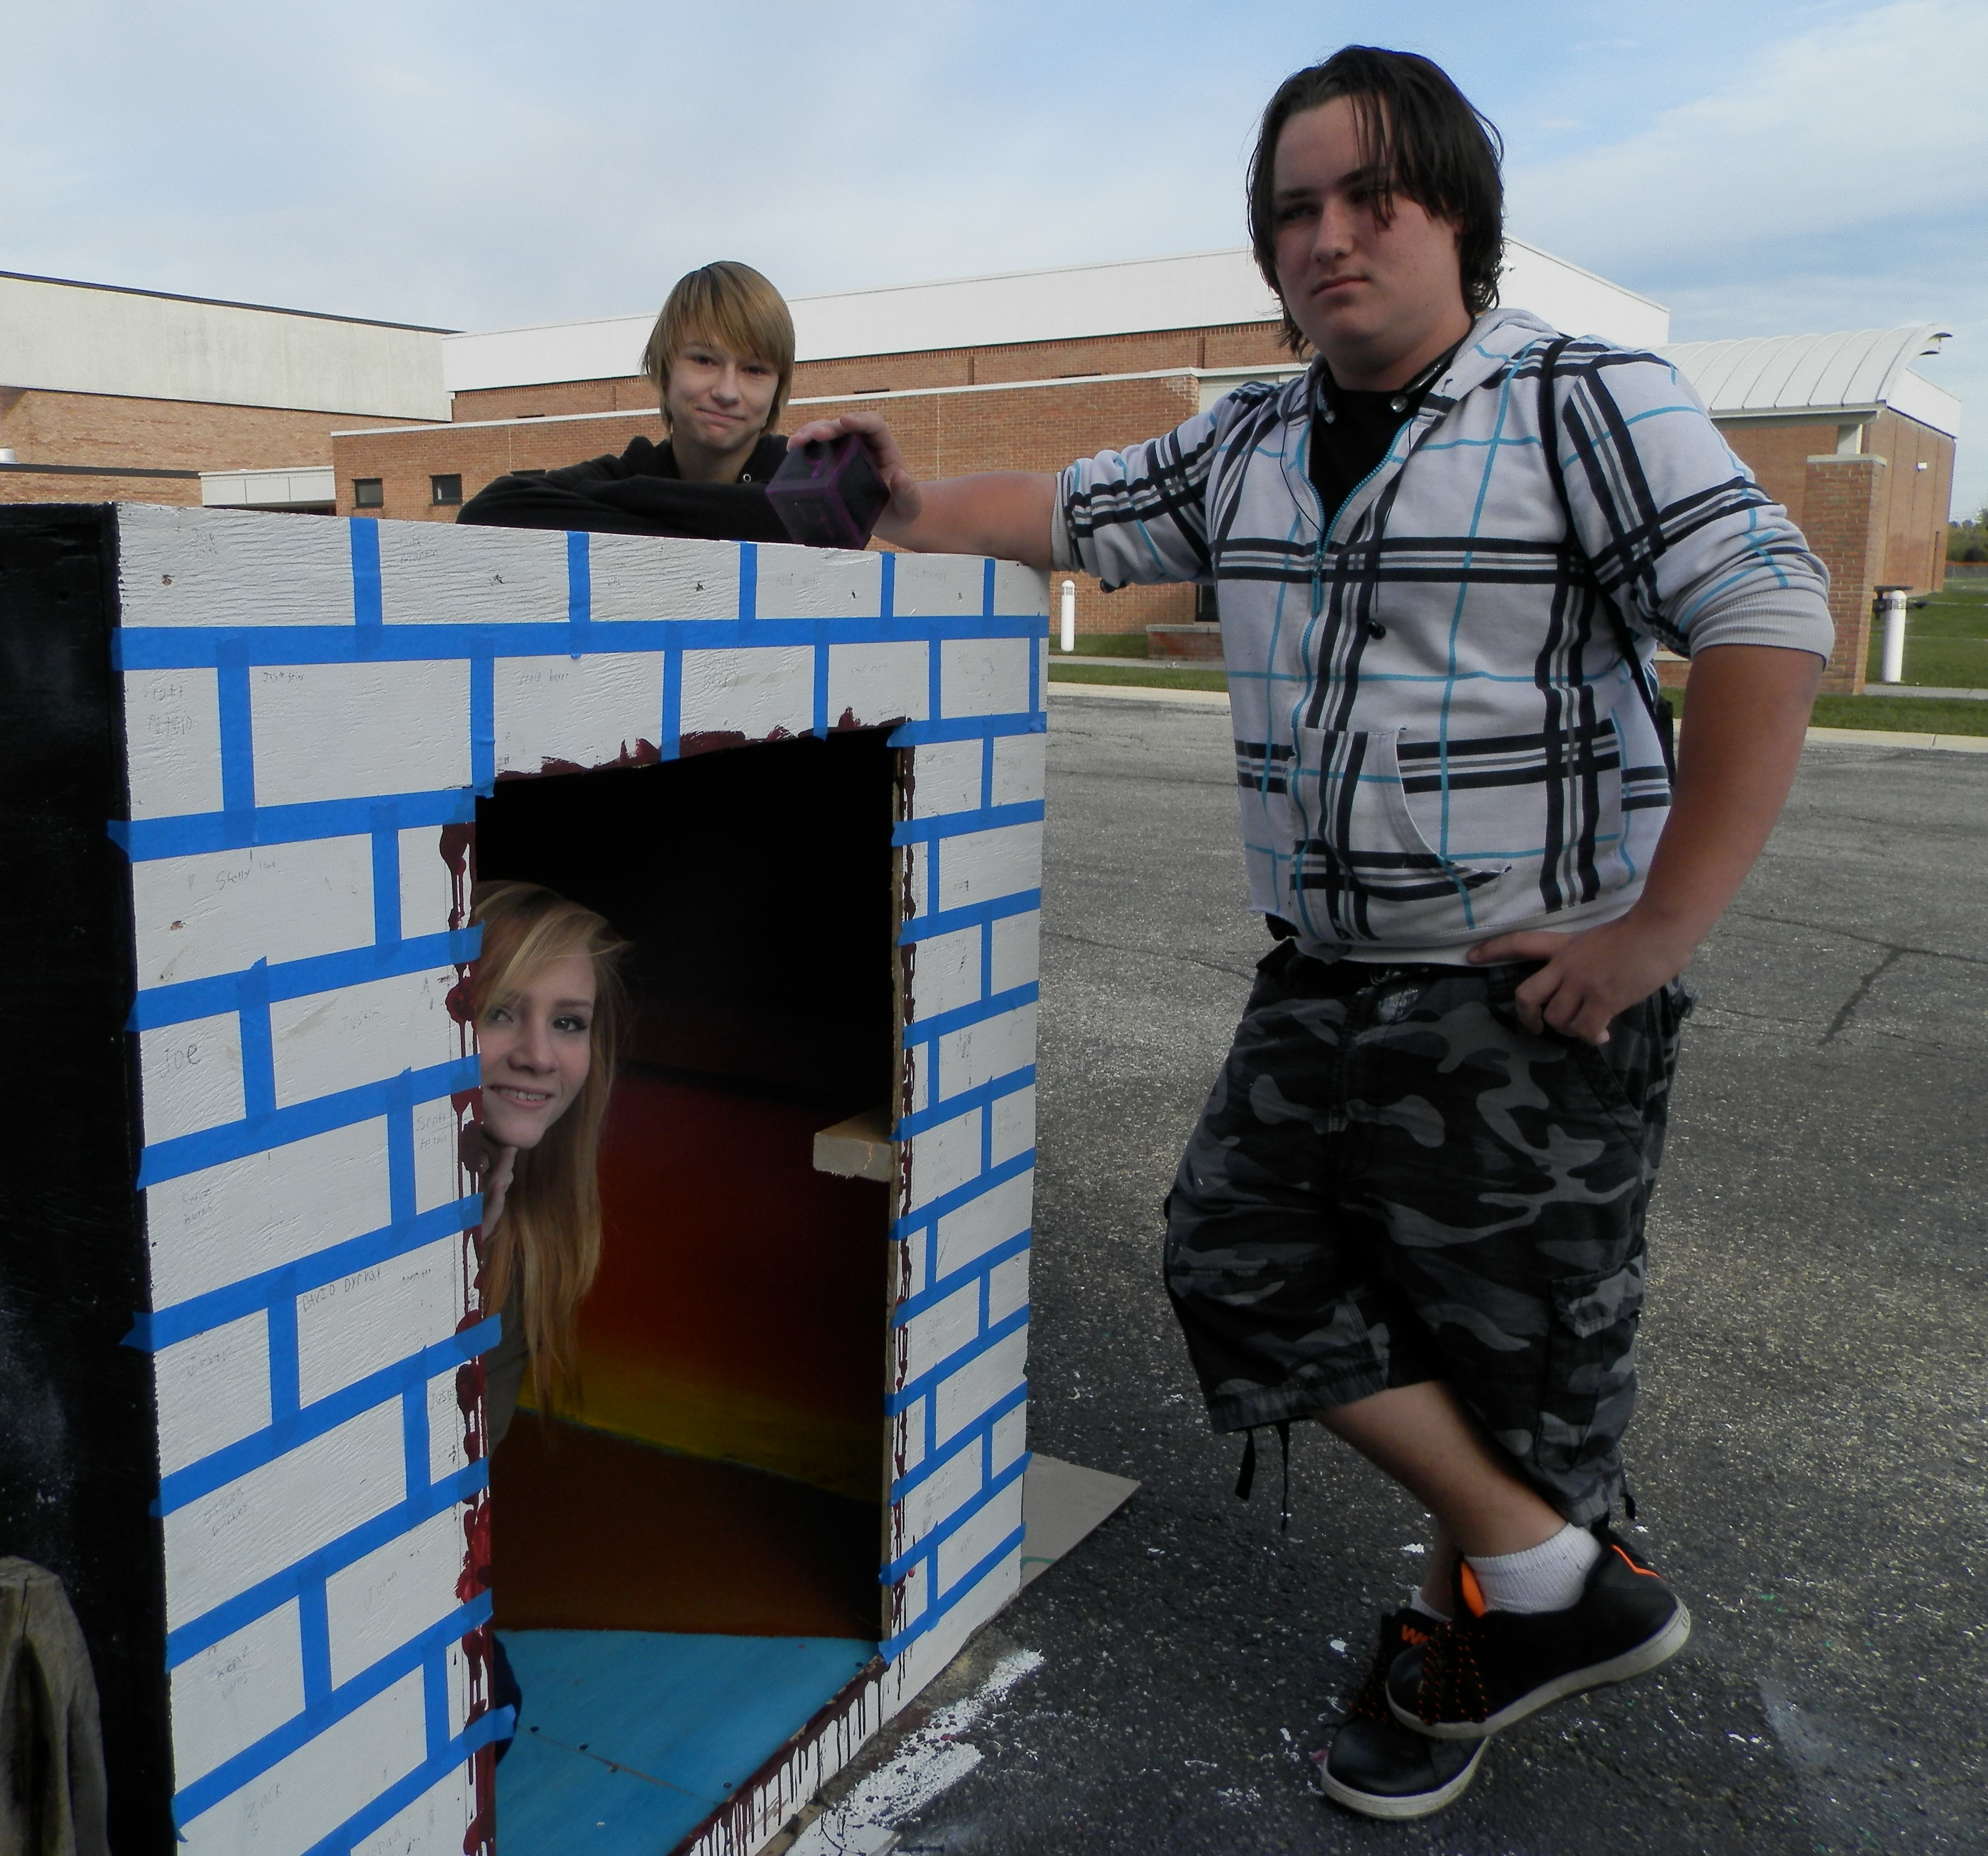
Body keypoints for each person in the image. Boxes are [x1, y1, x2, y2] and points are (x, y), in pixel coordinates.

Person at [788, 46, 1832, 1821]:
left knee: (1502, 1356)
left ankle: (1465, 1641)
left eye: (1370, 198)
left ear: (1455, 219)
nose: (1326, 236)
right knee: (1229, 1255)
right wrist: (889, 504)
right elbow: (1060, 511)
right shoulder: (1251, 439)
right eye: (1291, 207)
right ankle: (1551, 1575)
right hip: (1321, 975)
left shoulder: (1580, 400)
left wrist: (1657, 925)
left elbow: (1764, 605)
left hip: (1525, 994)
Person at [456, 260, 796, 540]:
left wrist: (628, 501)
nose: (727, 391)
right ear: (663, 369)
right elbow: (487, 511)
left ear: (778, 388)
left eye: (755, 369)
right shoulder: (627, 471)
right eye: (704, 361)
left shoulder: (807, 471)